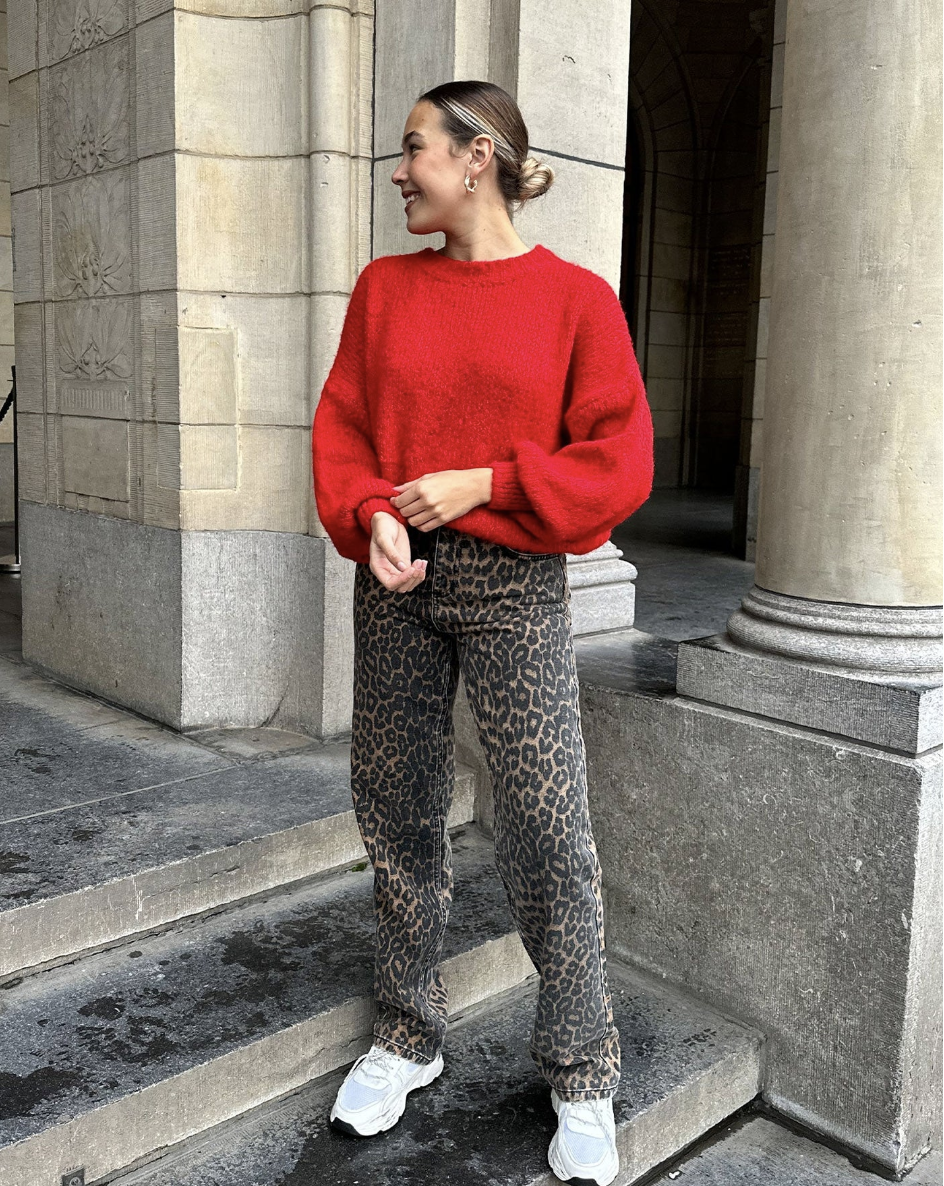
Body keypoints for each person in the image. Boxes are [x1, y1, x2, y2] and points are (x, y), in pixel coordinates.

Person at [311, 79, 653, 1186]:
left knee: (548, 831)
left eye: (414, 147)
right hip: (397, 580)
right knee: (398, 811)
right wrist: (368, 513)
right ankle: (406, 1032)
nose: (398, 169)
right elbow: (344, 429)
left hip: (515, 583)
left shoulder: (574, 301)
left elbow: (618, 460)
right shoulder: (384, 290)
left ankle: (582, 1069)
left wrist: (486, 482)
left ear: (477, 157)